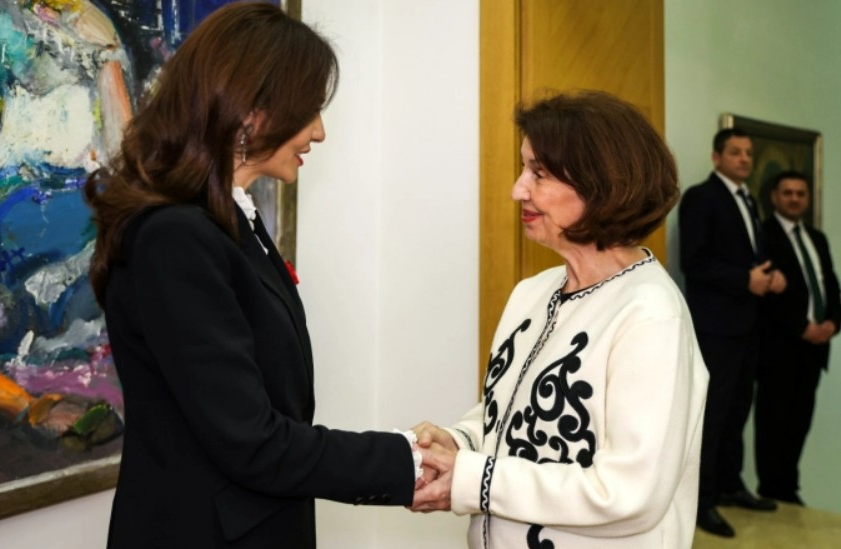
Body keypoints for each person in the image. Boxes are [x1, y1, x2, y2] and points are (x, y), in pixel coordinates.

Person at [83, 3, 421, 547]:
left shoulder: (228, 222)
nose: (319, 132)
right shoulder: (175, 238)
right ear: (251, 113)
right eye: (308, 110)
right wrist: (407, 460)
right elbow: (251, 440)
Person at [410, 90, 709, 548]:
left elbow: (629, 495)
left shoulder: (650, 315)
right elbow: (513, 416)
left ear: (602, 184)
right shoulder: (532, 293)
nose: (517, 189)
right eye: (523, 168)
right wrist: (459, 444)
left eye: (539, 173)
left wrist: (471, 478)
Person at [678, 128, 786, 538]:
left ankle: (730, 485)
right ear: (716, 157)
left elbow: (751, 258)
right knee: (712, 413)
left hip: (748, 324)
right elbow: (694, 262)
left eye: (749, 153)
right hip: (716, 327)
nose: (744, 159)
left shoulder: (749, 199)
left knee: (739, 408)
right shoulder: (701, 197)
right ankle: (702, 501)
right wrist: (745, 280)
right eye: (735, 152)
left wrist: (769, 276)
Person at [755, 171, 840, 506]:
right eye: (788, 193)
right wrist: (802, 327)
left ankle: (789, 487)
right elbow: (769, 296)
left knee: (799, 422)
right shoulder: (763, 235)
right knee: (773, 421)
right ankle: (771, 489)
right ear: (775, 197)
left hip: (815, 349)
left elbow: (829, 284)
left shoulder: (816, 238)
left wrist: (832, 323)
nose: (794, 199)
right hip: (780, 347)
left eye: (800, 193)